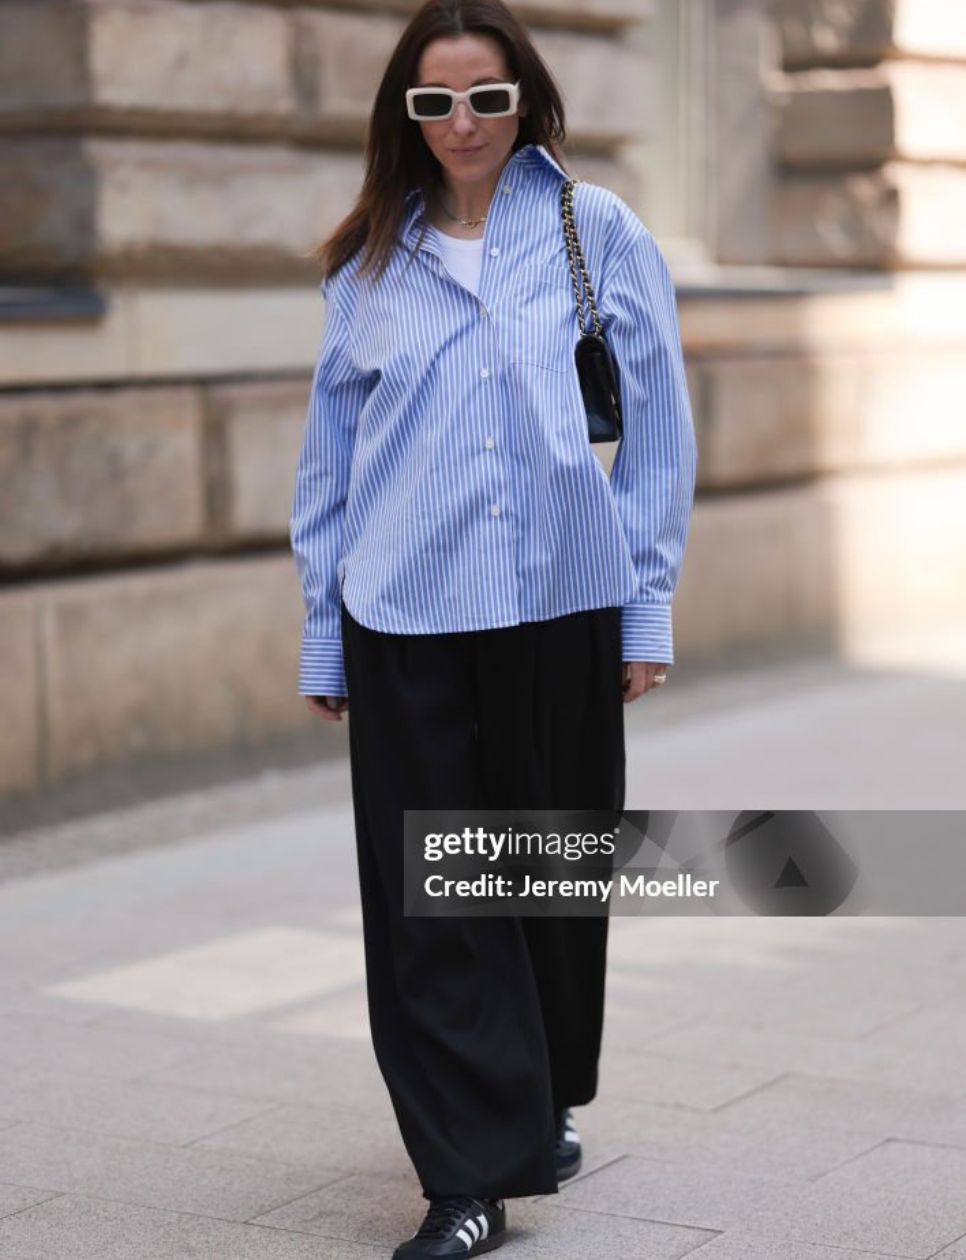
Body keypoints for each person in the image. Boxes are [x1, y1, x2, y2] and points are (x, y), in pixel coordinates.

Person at [289, 0, 697, 1254]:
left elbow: (660, 431)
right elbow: (330, 463)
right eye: (432, 101)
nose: (460, 123)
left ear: (525, 98)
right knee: (433, 899)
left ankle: (543, 1093)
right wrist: (321, 628)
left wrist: (647, 601)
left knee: (551, 880)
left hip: (561, 605)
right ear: (401, 116)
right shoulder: (369, 259)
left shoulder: (597, 232)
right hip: (402, 612)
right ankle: (468, 1175)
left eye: (483, 96)